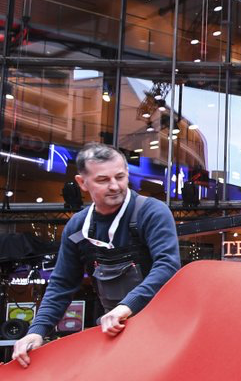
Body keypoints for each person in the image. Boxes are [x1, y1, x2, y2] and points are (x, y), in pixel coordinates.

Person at [12, 143, 181, 368]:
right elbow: (62, 284)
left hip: (164, 328)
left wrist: (125, 307)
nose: (115, 186)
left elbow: (167, 265)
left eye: (120, 177)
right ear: (82, 182)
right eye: (103, 180)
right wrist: (37, 330)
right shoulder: (77, 227)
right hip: (115, 331)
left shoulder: (151, 212)